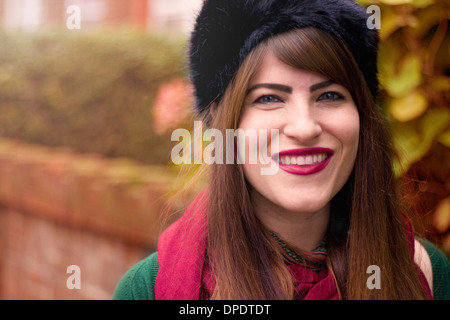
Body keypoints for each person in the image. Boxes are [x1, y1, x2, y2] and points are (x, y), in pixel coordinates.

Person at [113, 0, 450, 300]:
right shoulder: (148, 289)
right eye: (269, 98)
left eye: (330, 95)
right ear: (221, 122)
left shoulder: (426, 273)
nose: (304, 127)